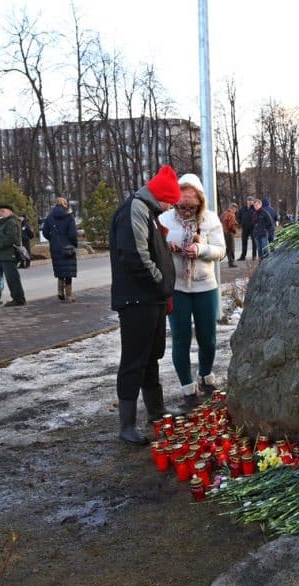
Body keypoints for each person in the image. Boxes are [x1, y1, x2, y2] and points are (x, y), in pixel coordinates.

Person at [109, 165, 179, 445]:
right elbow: (136, 256)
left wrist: (163, 293)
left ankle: (156, 410)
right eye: (169, 202)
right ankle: (127, 425)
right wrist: (161, 283)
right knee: (134, 360)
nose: (169, 207)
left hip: (153, 299)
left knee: (151, 356)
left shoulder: (149, 212)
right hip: (138, 299)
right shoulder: (134, 211)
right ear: (159, 196)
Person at [160, 174, 226, 406]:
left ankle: (206, 375)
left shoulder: (209, 219)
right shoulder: (165, 219)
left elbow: (220, 251)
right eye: (182, 204)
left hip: (205, 285)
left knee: (208, 337)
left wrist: (201, 248)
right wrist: (167, 247)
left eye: (191, 204)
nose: (186, 209)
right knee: (181, 338)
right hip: (177, 286)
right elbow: (154, 247)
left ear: (199, 201)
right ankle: (188, 388)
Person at [42, 197, 79, 302]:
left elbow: (45, 232)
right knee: (68, 271)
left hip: (55, 247)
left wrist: (52, 239)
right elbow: (72, 234)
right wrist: (74, 243)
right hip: (68, 247)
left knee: (60, 269)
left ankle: (60, 292)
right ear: (64, 204)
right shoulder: (69, 216)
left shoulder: (49, 217)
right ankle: (69, 295)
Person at [0, 204, 26, 306]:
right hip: (5, 255)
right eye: (0, 211)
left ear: (10, 212)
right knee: (11, 278)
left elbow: (12, 238)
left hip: (9, 254)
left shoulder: (11, 222)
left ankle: (18, 299)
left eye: (3, 211)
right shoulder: (5, 222)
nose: (1, 213)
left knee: (13, 278)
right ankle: (17, 298)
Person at [219, 203, 238, 267]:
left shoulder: (223, 214)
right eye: (236, 209)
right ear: (233, 208)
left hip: (222, 232)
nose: (236, 211)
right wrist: (234, 231)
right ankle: (231, 262)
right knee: (231, 248)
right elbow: (231, 225)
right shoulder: (231, 215)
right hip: (229, 233)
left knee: (226, 248)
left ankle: (219, 259)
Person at [237, 194, 256, 260]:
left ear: (253, 201)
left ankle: (254, 256)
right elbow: (238, 216)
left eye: (251, 200)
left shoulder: (254, 208)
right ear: (246, 201)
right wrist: (240, 223)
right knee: (244, 242)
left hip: (253, 228)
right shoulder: (243, 208)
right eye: (248, 200)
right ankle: (243, 256)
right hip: (245, 228)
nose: (250, 201)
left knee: (254, 242)